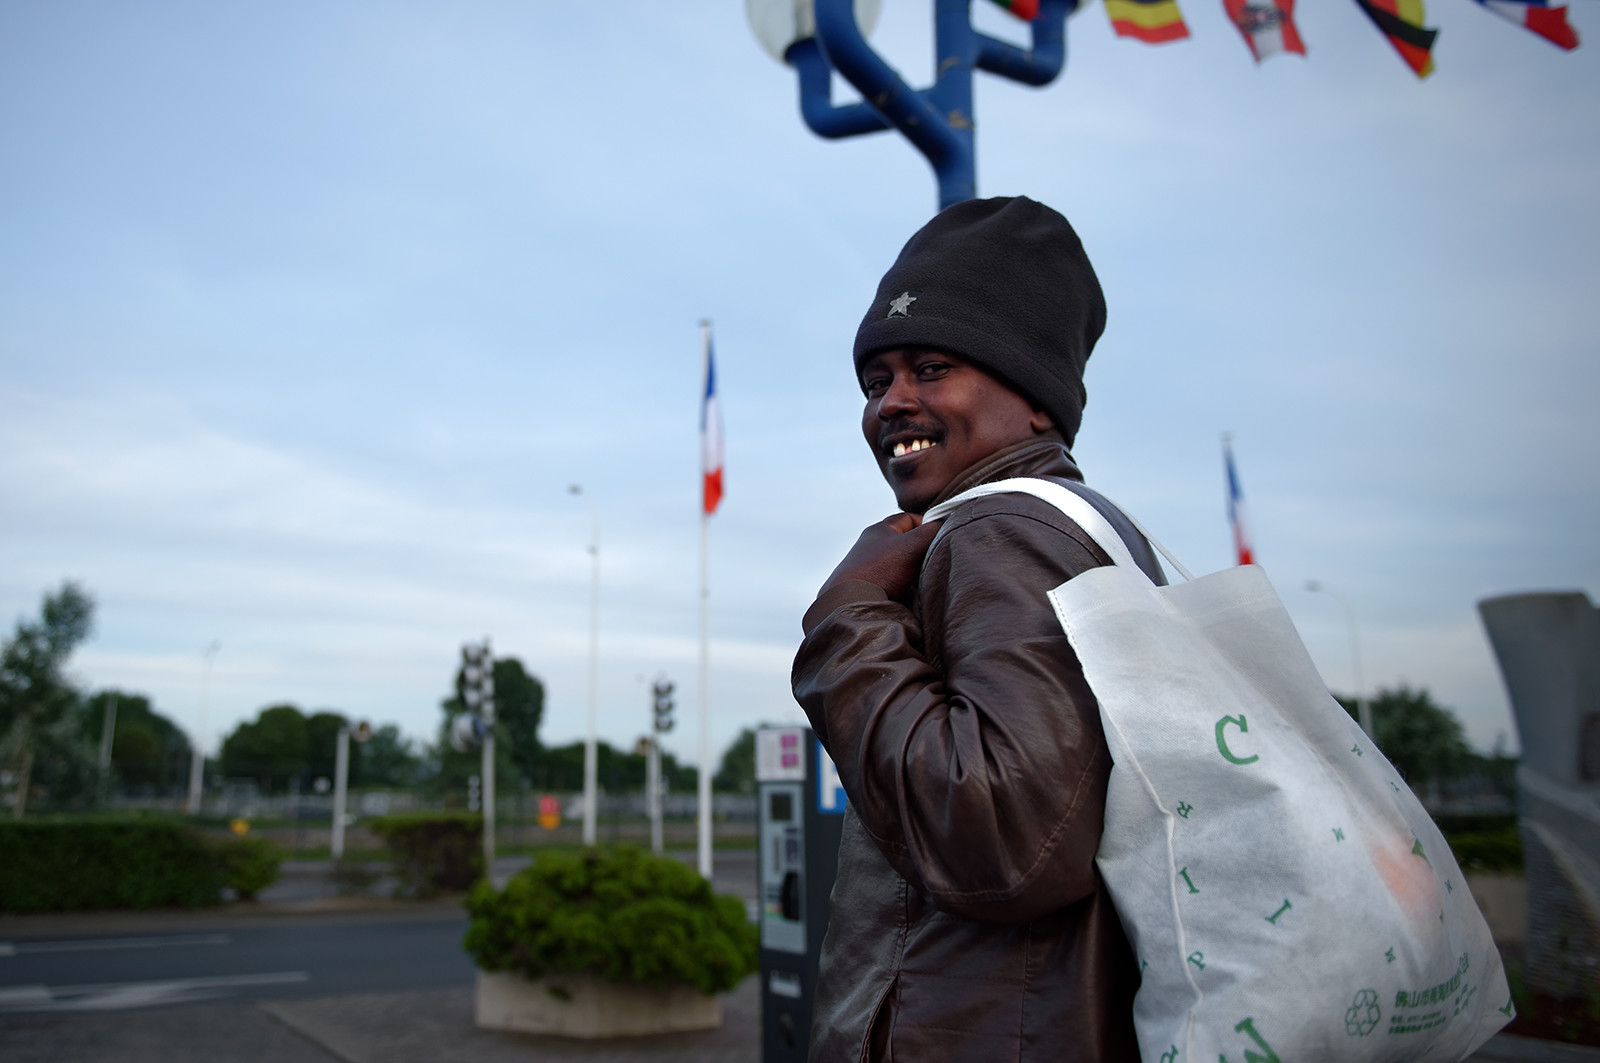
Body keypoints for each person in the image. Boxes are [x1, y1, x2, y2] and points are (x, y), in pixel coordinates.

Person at [791, 196, 1166, 1062]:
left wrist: (846, 615)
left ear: (1035, 399)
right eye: (876, 381)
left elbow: (1005, 835)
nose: (893, 403)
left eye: (930, 368)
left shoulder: (997, 532)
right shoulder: (1085, 531)